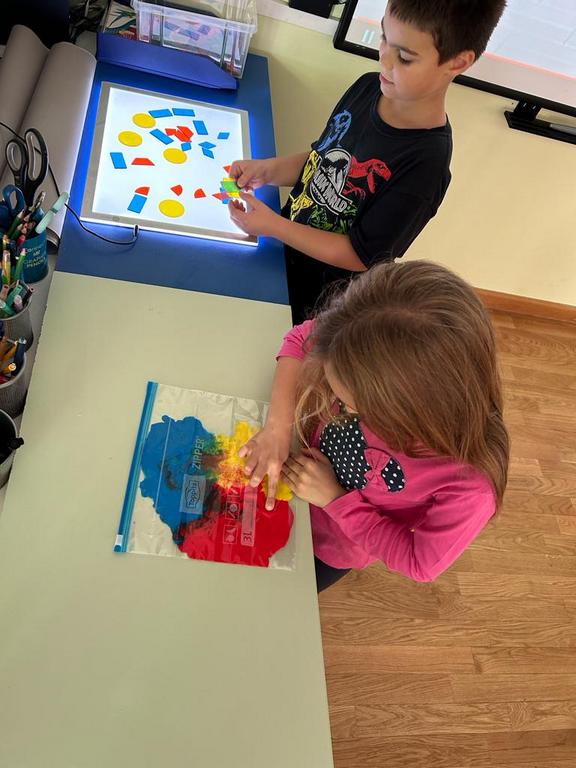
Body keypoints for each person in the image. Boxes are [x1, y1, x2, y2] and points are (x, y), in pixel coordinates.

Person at [228, 0, 507, 324]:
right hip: (280, 254)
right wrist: (268, 170)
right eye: (384, 38)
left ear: (457, 62)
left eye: (404, 57)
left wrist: (274, 226)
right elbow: (323, 158)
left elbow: (360, 255)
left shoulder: (426, 165)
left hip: (318, 304)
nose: (384, 59)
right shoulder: (367, 87)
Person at [238, 260, 510, 592]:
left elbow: (418, 562)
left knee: (272, 595)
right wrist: (278, 428)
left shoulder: (470, 485)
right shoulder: (355, 330)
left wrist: (335, 499)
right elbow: (300, 338)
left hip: (332, 544)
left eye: (349, 404)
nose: (340, 408)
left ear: (404, 410)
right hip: (287, 485)